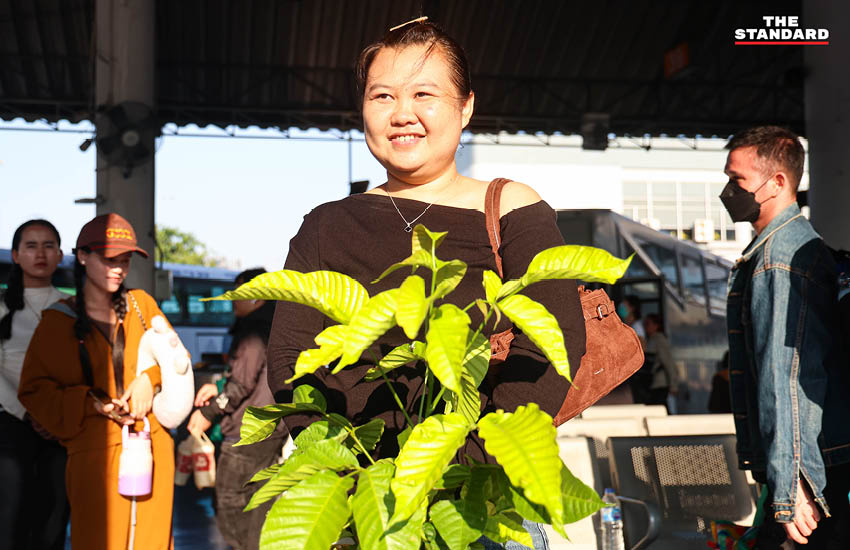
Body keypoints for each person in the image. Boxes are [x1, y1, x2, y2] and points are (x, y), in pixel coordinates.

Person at [266, 19, 586, 550]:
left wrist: (458, 469)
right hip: (362, 502)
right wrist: (355, 465)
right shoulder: (325, 225)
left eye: (424, 94)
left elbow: (553, 347)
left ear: (465, 108)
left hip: (479, 506)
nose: (401, 114)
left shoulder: (512, 207)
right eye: (382, 95)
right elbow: (290, 358)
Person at [722, 126, 850, 548]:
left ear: (778, 181)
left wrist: (794, 482)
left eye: (738, 180)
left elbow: (788, 378)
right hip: (823, 464)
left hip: (810, 477)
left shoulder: (780, 261)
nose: (727, 191)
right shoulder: (794, 249)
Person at [18, 213, 175, 549]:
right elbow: (33, 390)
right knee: (98, 540)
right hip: (93, 450)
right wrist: (87, 400)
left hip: (152, 443)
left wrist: (150, 378)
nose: (118, 268)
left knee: (153, 540)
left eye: (125, 260)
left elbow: (176, 360)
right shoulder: (58, 319)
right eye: (108, 259)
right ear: (84, 257)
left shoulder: (142, 305)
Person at [187, 268, 286, 550]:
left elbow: (241, 384)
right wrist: (219, 388)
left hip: (247, 434)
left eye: (238, 294)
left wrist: (206, 414)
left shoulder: (254, 330)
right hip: (270, 428)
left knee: (231, 505)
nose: (232, 300)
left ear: (257, 298)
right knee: (258, 506)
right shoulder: (276, 325)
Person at [0, 220, 69, 550]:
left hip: (61, 429)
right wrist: (28, 414)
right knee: (10, 521)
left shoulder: (74, 309)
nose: (40, 253)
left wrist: (54, 417)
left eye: (48, 245)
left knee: (54, 521)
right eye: (30, 246)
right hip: (10, 425)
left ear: (60, 255)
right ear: (15, 255)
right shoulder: (1, 307)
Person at [642, 313, 678, 411]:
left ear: (656, 325)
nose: (645, 327)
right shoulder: (650, 339)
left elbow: (668, 362)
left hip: (660, 384)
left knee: (660, 409)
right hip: (653, 384)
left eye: (648, 324)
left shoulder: (659, 339)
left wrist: (673, 385)